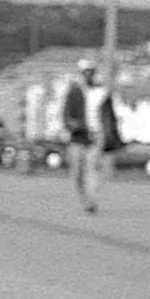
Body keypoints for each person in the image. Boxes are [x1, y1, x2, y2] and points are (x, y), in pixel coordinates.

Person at [59, 58, 123, 214]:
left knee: (92, 168)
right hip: (78, 136)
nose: (88, 75)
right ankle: (84, 197)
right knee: (76, 173)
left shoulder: (101, 92)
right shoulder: (74, 91)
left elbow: (110, 116)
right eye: (85, 72)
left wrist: (114, 135)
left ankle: (91, 200)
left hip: (96, 135)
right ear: (81, 74)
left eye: (91, 72)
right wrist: (72, 125)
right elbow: (66, 115)